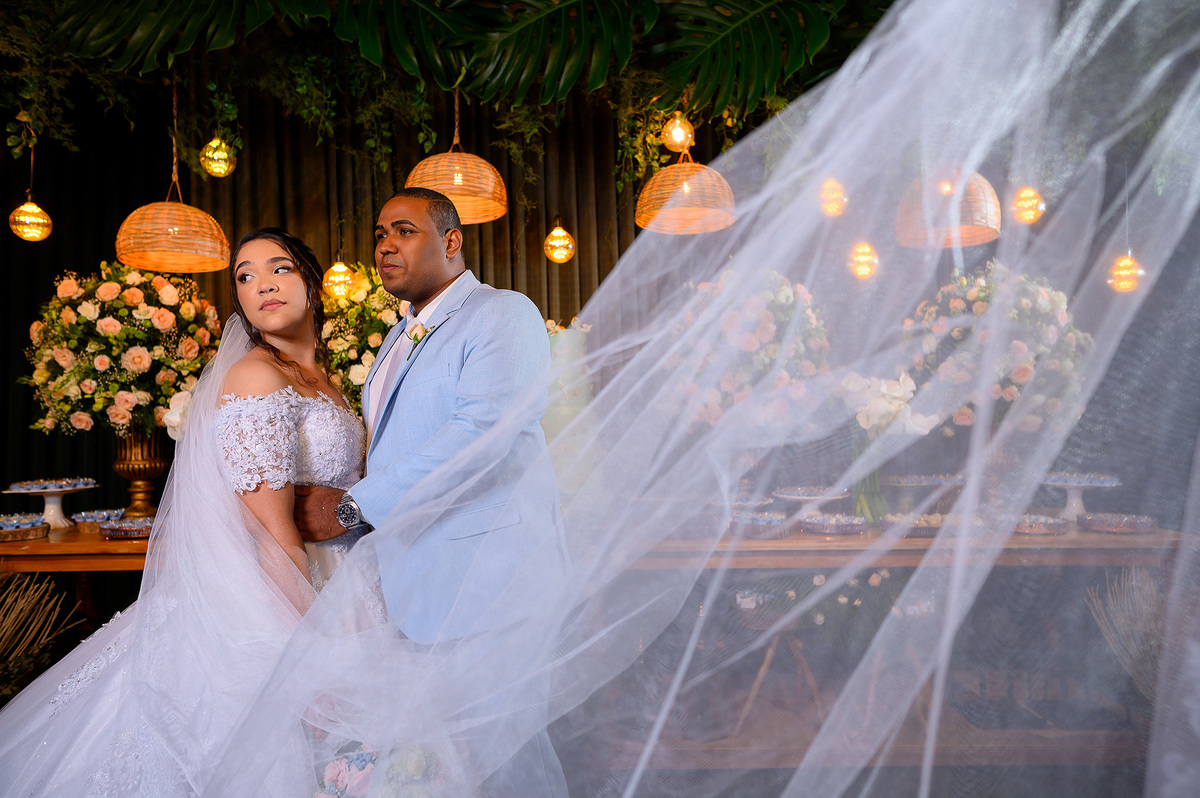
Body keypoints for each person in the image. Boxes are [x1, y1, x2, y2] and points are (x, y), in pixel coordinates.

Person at [0, 228, 365, 796]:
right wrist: (310, 650)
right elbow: (271, 533)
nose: (262, 284)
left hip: (346, 577)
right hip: (278, 593)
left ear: (314, 287)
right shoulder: (255, 377)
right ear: (238, 303)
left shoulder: (329, 383)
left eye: (279, 269)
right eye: (244, 276)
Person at [293, 187, 570, 795]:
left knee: (501, 760)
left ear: (452, 241)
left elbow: (481, 437)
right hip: (417, 582)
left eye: (404, 230)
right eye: (378, 233)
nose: (384, 244)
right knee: (447, 767)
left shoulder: (503, 313)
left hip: (489, 581)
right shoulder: (400, 336)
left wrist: (351, 505)